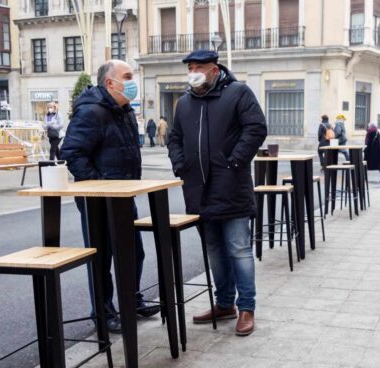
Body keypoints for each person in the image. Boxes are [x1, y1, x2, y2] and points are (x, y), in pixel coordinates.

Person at [168, 50, 267, 336]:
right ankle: (225, 304)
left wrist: (235, 161)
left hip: (232, 187)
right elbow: (174, 138)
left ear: (214, 69)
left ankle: (246, 307)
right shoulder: (184, 103)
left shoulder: (238, 93)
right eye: (190, 68)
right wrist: (179, 164)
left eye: (199, 67)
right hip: (199, 191)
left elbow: (256, 128)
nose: (193, 72)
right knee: (213, 251)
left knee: (238, 249)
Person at [60, 60, 160, 334]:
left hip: (123, 194)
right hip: (97, 198)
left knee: (133, 252)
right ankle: (103, 313)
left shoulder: (123, 110)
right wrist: (100, 185)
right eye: (127, 76)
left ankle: (132, 299)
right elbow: (72, 152)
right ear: (110, 83)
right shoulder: (91, 112)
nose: (132, 82)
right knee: (101, 257)